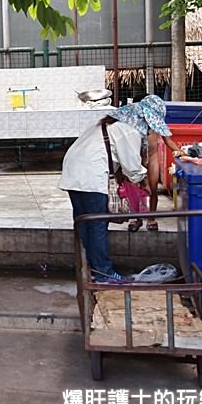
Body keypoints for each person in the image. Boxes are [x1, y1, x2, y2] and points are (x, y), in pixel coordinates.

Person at [58, 97, 172, 282]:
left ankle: (88, 267)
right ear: (145, 118)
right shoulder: (128, 130)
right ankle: (104, 273)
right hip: (89, 174)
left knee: (84, 222)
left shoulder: (114, 122)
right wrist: (144, 183)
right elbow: (132, 167)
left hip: (75, 171)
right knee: (97, 224)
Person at [109, 94, 186, 232]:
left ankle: (151, 218)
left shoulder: (156, 122)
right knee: (133, 188)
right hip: (137, 159)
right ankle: (135, 216)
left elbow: (168, 140)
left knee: (153, 189)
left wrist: (182, 152)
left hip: (152, 159)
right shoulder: (134, 122)